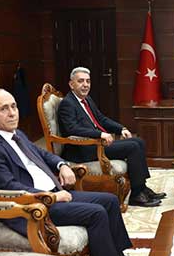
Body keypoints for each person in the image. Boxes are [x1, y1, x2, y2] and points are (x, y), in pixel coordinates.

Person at [0, 88, 144, 256]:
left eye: (14, 106)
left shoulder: (17, 135)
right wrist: (52, 197)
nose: (12, 113)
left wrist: (62, 164)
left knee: (110, 201)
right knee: (96, 213)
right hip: (34, 206)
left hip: (54, 193)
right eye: (3, 109)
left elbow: (43, 154)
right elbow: (8, 188)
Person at [57, 67, 165, 207]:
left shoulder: (86, 99)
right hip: (84, 149)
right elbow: (71, 129)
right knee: (132, 147)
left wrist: (121, 128)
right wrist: (100, 134)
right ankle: (136, 195)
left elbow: (101, 119)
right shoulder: (67, 103)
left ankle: (142, 187)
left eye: (88, 81)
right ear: (71, 84)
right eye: (81, 81)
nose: (85, 85)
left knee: (139, 141)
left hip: (96, 143)